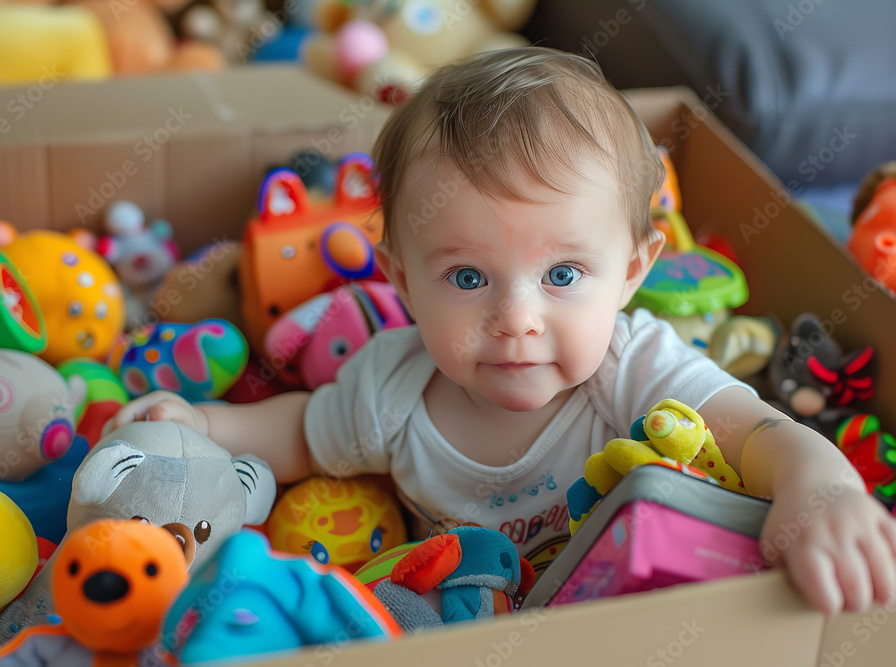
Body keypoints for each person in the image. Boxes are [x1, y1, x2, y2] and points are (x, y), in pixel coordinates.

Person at [104, 47, 896, 615]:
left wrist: (819, 489)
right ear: (404, 278)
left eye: (561, 276)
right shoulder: (392, 387)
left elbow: (762, 431)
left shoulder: (632, 366)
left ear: (630, 272)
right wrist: (203, 421)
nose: (516, 317)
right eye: (468, 277)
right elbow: (302, 433)